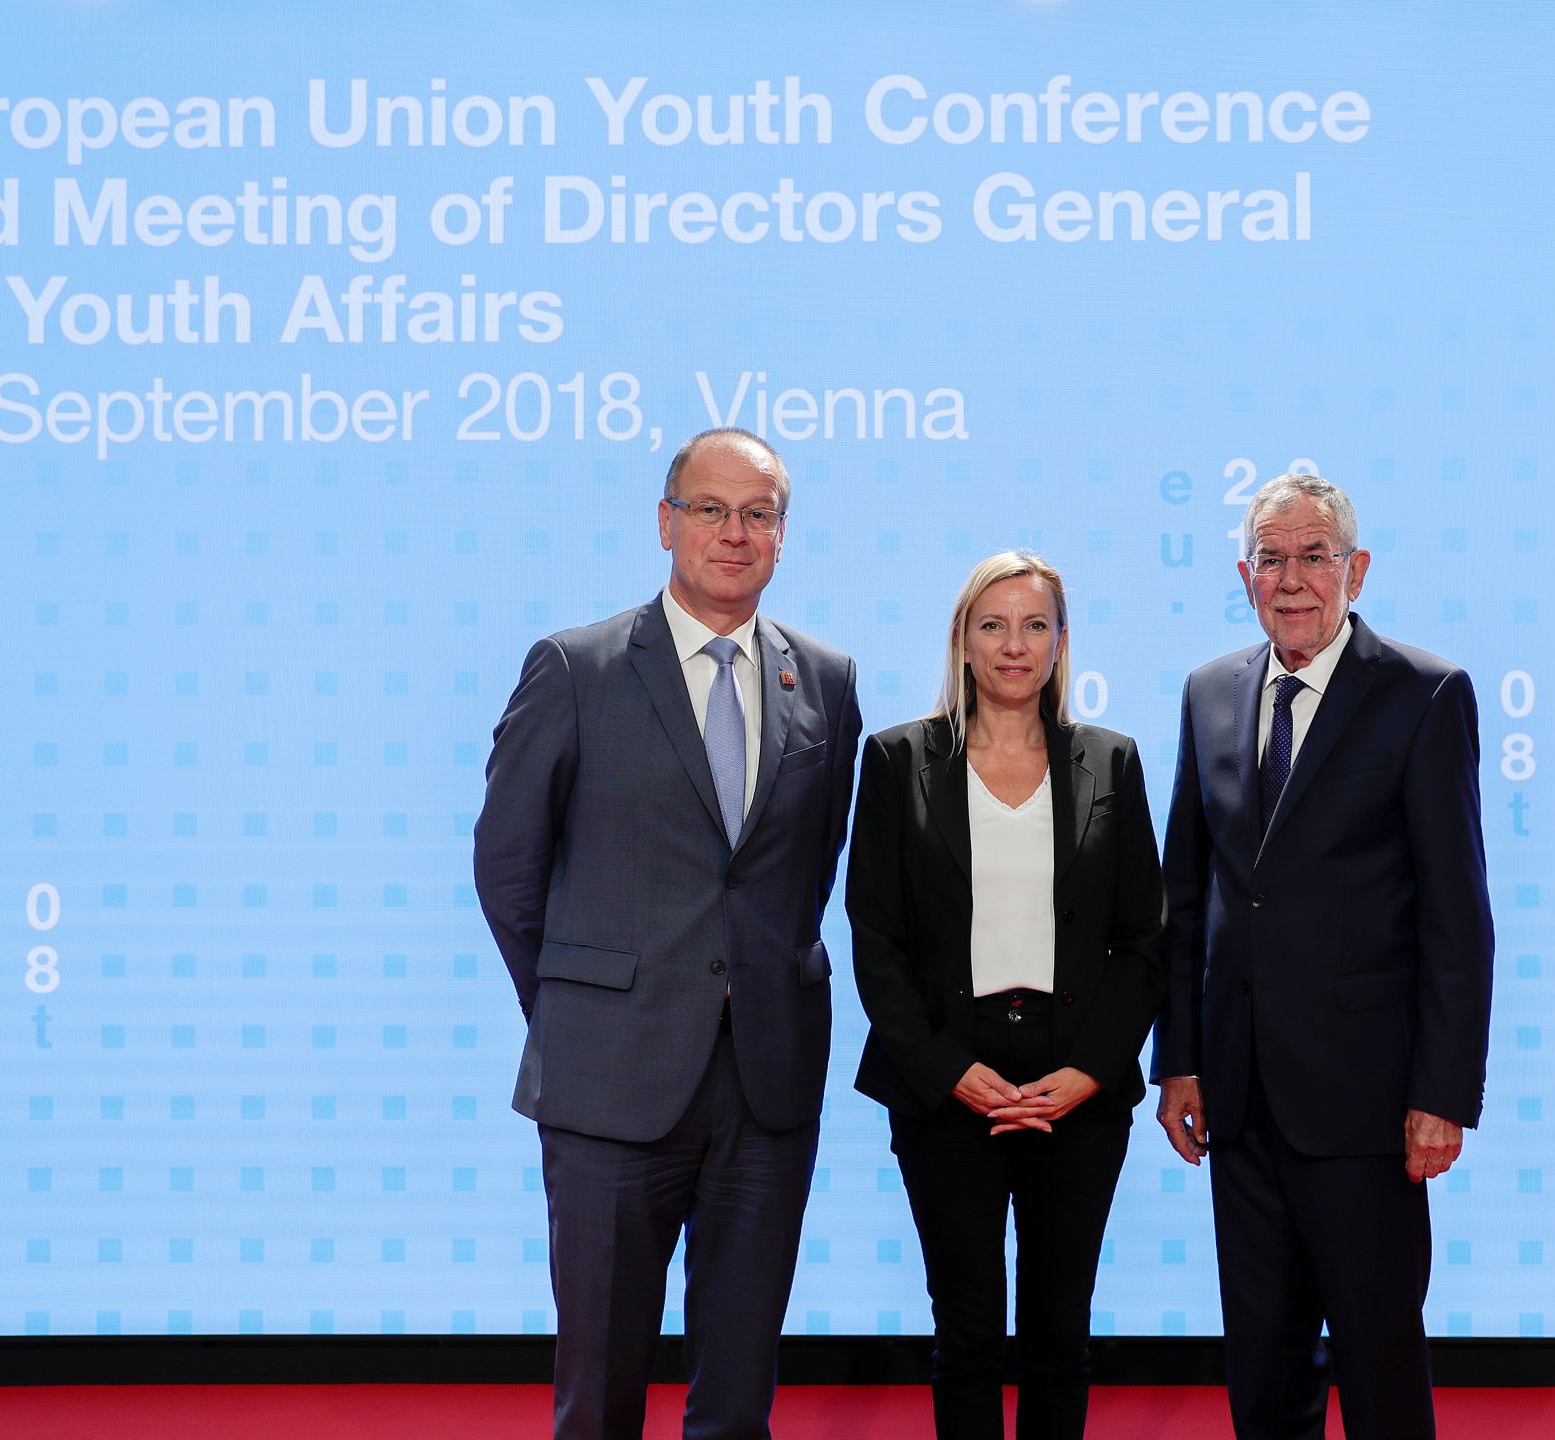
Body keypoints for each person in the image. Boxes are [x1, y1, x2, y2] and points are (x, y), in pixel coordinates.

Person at [473, 427, 861, 1440]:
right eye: (710, 510)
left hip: (764, 1082)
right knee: (599, 1395)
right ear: (665, 523)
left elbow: (803, 870)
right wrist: (578, 999)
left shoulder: (823, 679)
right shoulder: (576, 667)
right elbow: (508, 869)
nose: (734, 534)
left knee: (736, 1398)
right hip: (607, 1077)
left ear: (781, 534)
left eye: (758, 514)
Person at [1153, 473, 1495, 1440]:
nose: (1292, 580)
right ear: (1244, 573)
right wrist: (1179, 1057)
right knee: (1262, 1375)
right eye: (1272, 559)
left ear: (1357, 569)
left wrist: (1444, 1092)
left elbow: (1457, 917)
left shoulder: (1425, 694)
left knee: (1381, 1369)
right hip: (1238, 1099)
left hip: (1370, 1108)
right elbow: (1190, 894)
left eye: (1313, 557)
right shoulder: (1209, 692)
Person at [847, 551, 1166, 1440]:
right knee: (967, 1335)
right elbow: (876, 938)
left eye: (1034, 625)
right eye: (993, 625)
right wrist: (949, 1069)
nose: (1014, 645)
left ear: (1062, 642)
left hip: (1077, 1083)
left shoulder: (1113, 760)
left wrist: (1091, 1071)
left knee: (1062, 1335)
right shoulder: (897, 758)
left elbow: (1144, 938)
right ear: (962, 640)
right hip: (947, 1080)